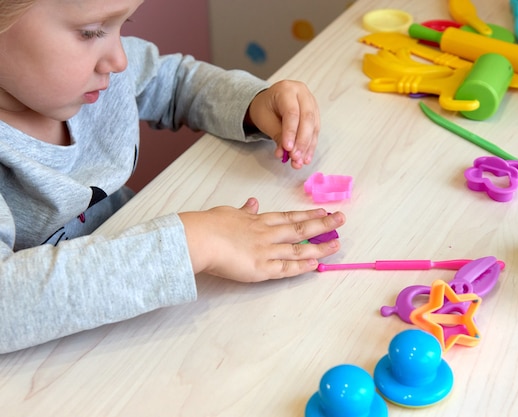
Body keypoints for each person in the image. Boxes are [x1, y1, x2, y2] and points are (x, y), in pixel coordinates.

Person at [0, 0, 346, 354]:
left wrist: (252, 103)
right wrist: (196, 242)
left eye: (124, 24)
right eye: (90, 32)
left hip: (143, 324)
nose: (119, 59)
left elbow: (175, 81)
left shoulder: (96, 73)